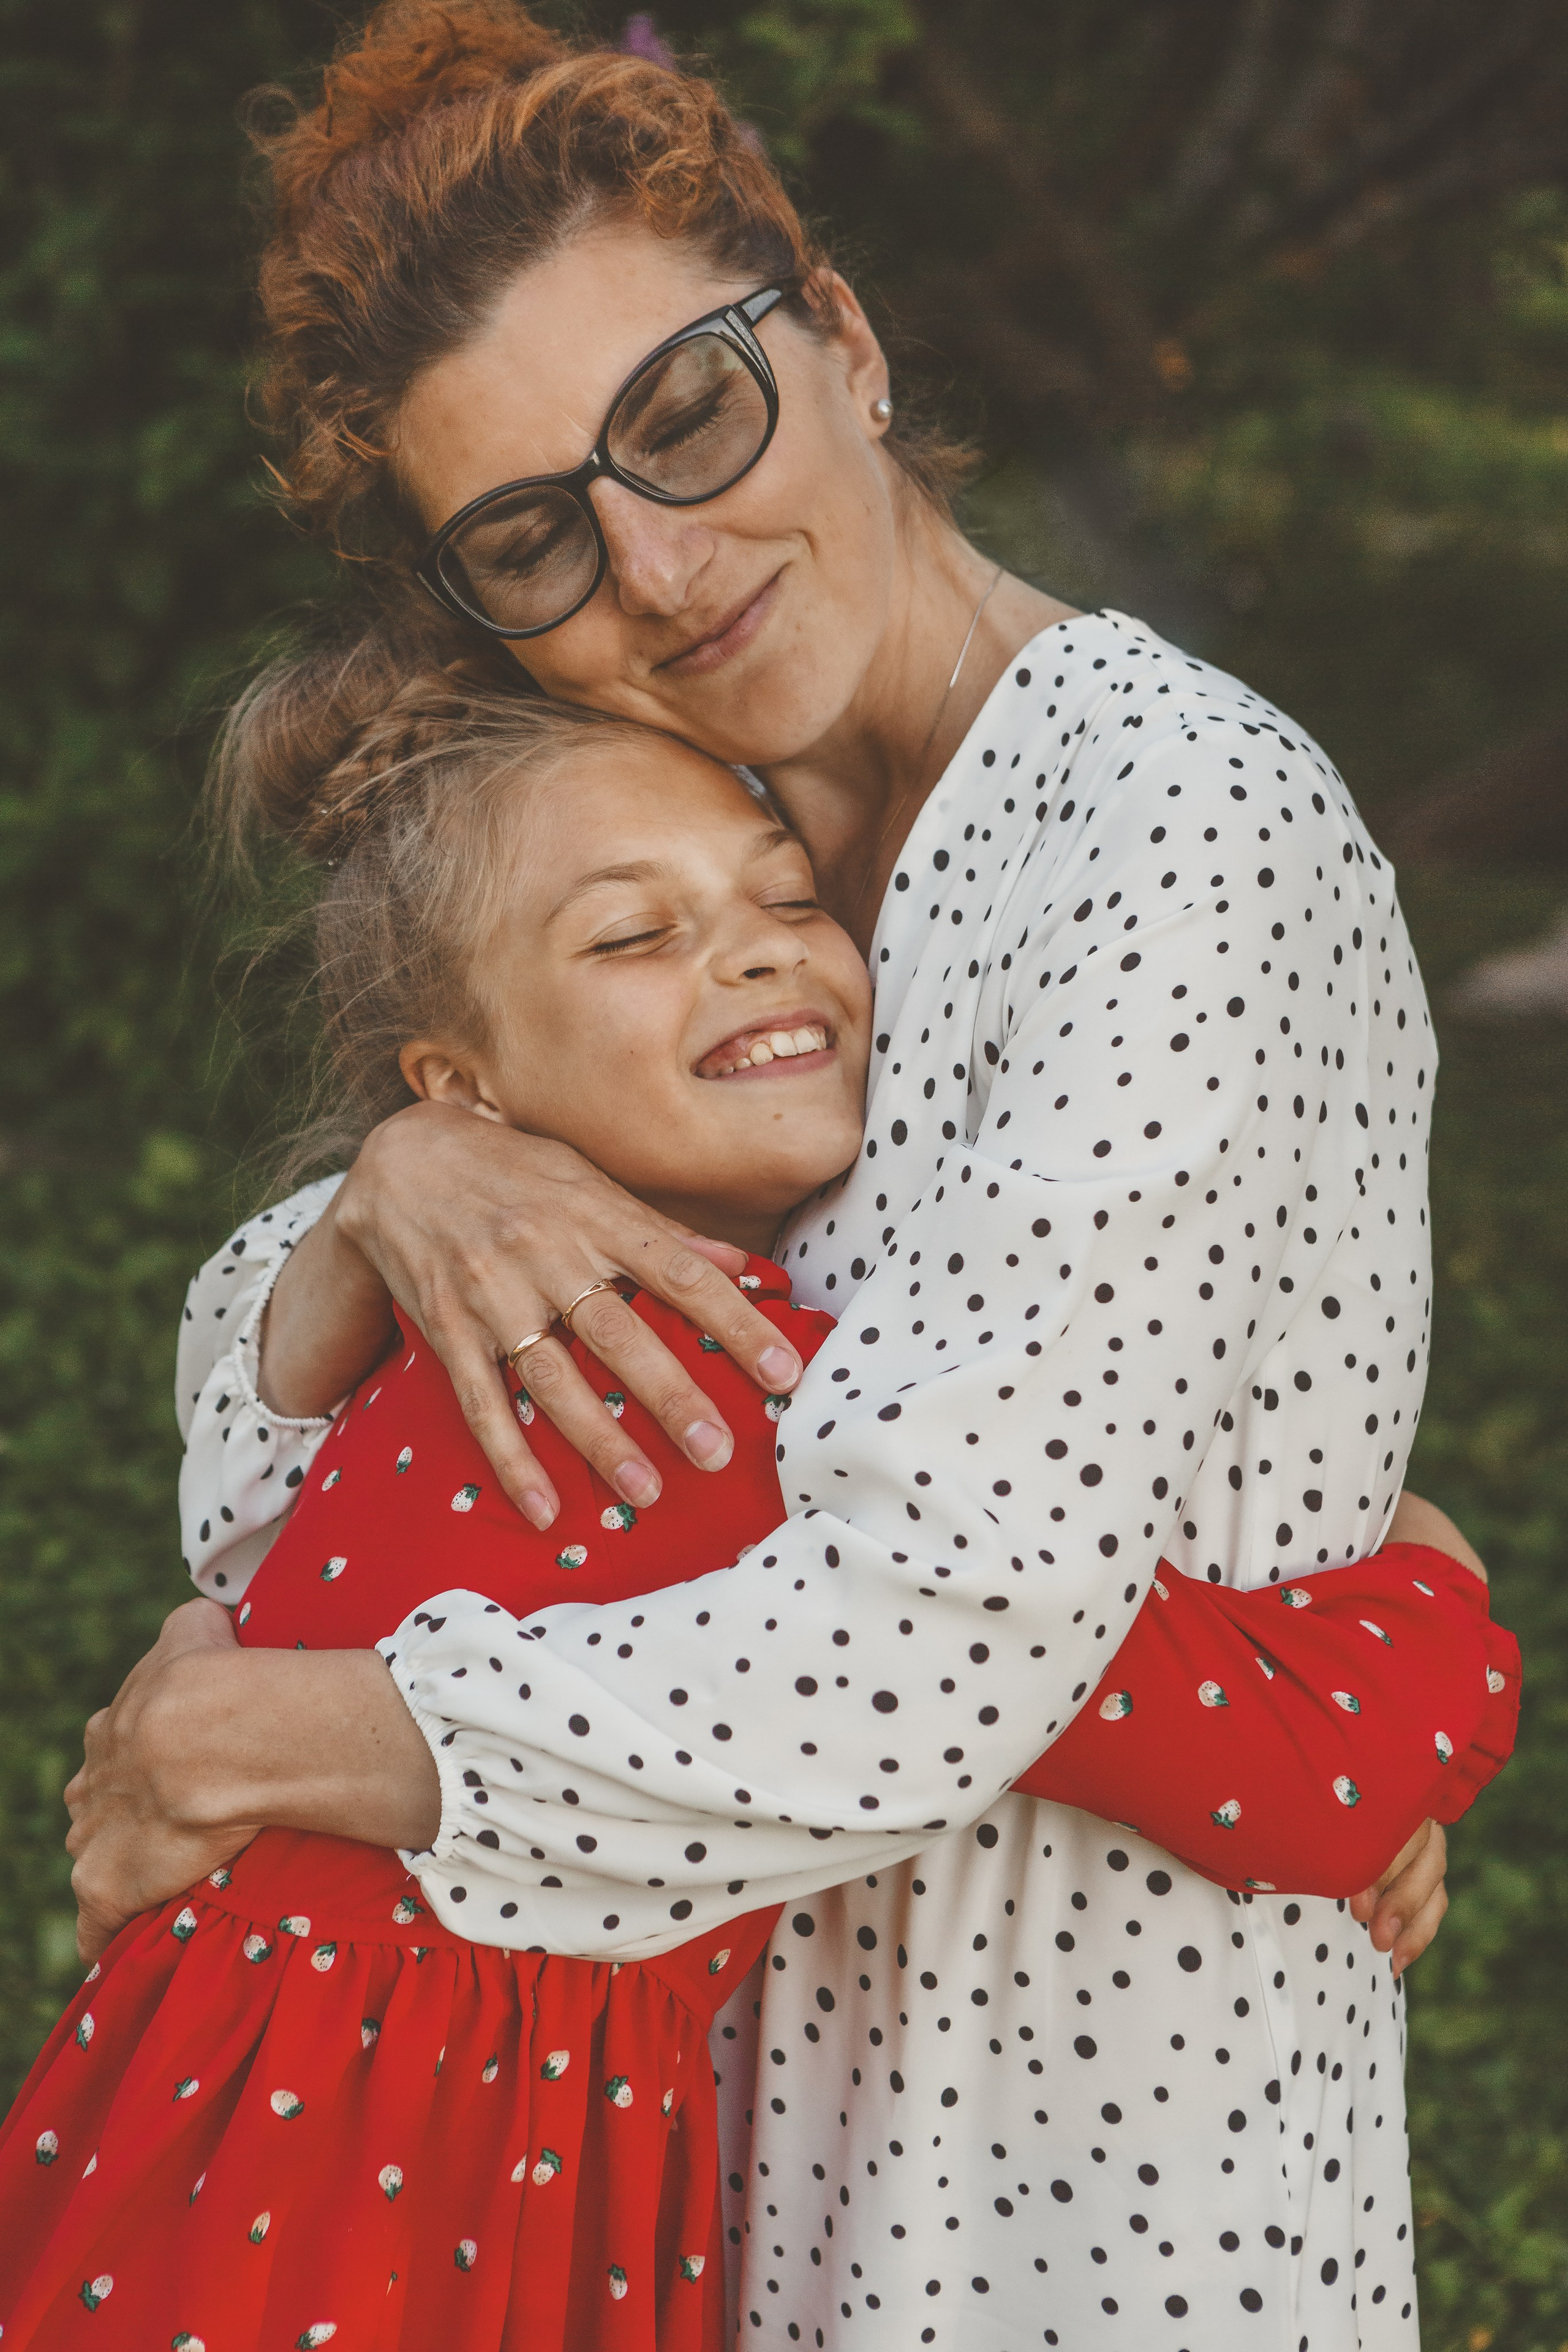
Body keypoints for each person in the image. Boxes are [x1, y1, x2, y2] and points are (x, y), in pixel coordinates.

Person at [57, 6, 1515, 2343]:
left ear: (835, 331)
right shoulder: (697, 840)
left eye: (688, 410)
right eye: (533, 533)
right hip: (670, 2125)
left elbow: (950, 1618)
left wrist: (325, 1731)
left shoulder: (1171, 831)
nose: (655, 557)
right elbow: (298, 1465)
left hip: (1077, 2158)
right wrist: (386, 1201)